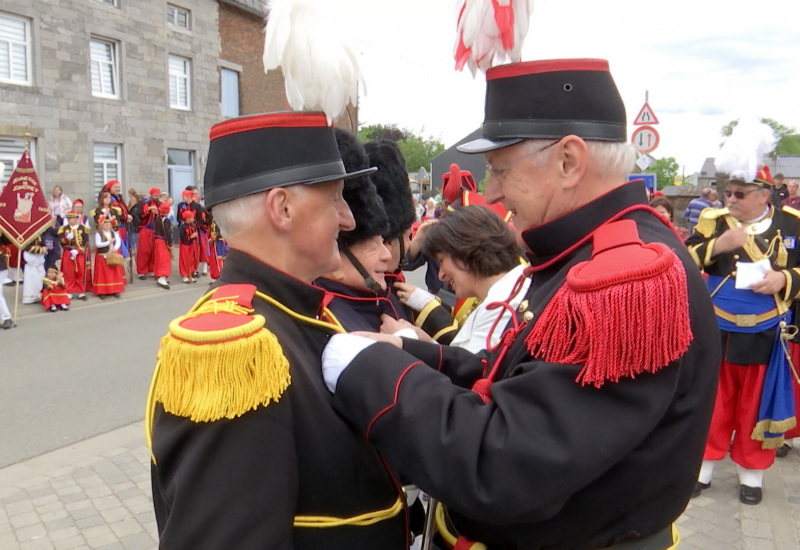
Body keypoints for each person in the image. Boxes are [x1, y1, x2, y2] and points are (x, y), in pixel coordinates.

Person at [320, 58, 720, 549]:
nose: (492, 192)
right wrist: (418, 354)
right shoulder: (586, 251)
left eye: (499, 170)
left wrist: (371, 372)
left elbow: (505, 465)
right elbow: (523, 378)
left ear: (569, 161)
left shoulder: (621, 279)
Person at [146, 111, 410, 549]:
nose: (347, 220)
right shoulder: (232, 348)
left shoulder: (300, 310)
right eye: (335, 199)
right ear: (282, 208)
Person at [686, 164, 800, 505]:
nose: (731, 199)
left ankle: (752, 475)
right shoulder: (714, 220)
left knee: (755, 405)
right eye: (728, 192)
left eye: (740, 194)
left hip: (766, 327)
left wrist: (784, 280)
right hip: (717, 324)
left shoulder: (791, 222)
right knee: (713, 400)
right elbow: (686, 260)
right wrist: (718, 244)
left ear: (764, 194)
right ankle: (703, 469)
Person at [390, 205, 530, 352]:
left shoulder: (501, 305)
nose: (441, 275)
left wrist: (408, 340)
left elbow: (472, 369)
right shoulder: (505, 293)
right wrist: (426, 342)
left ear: (465, 250)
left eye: (442, 260)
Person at [315, 129, 407, 332]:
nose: (387, 254)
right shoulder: (333, 322)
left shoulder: (376, 299)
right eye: (372, 246)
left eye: (382, 241)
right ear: (334, 261)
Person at [58, 211, 89, 300]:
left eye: (71, 218)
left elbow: (86, 242)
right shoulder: (63, 229)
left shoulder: (83, 229)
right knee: (68, 272)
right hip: (68, 253)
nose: (69, 220)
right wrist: (66, 238)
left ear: (76, 218)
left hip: (79, 254)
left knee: (80, 272)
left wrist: (79, 250)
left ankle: (81, 291)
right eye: (68, 219)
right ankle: (69, 290)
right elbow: (61, 242)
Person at [92, 216, 124, 299]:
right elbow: (98, 244)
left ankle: (114, 289)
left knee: (113, 273)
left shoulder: (113, 232)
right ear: (101, 225)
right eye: (106, 225)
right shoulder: (98, 234)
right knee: (103, 274)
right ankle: (102, 291)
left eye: (109, 225)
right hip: (102, 255)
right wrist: (108, 242)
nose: (108, 227)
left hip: (111, 254)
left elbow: (118, 241)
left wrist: (115, 248)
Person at [134, 187, 161, 280]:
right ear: (151, 194)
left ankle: (151, 269)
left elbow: (163, 213)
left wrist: (157, 212)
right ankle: (141, 271)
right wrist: (149, 209)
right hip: (145, 228)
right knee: (144, 250)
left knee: (154, 250)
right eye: (155, 195)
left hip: (156, 229)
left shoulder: (159, 203)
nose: (157, 197)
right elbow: (139, 214)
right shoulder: (143, 202)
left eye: (158, 195)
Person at [152, 202, 173, 289]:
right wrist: (170, 243)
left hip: (157, 240)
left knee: (158, 258)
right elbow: (167, 233)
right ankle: (162, 277)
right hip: (163, 241)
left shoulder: (157, 218)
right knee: (164, 259)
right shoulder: (166, 220)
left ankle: (158, 274)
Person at [177, 209, 199, 284]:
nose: (193, 219)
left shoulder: (193, 225)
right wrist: (191, 237)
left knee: (191, 260)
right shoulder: (183, 227)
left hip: (191, 245)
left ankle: (190, 274)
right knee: (184, 260)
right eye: (192, 218)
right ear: (188, 219)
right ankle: (184, 275)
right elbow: (183, 238)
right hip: (185, 245)